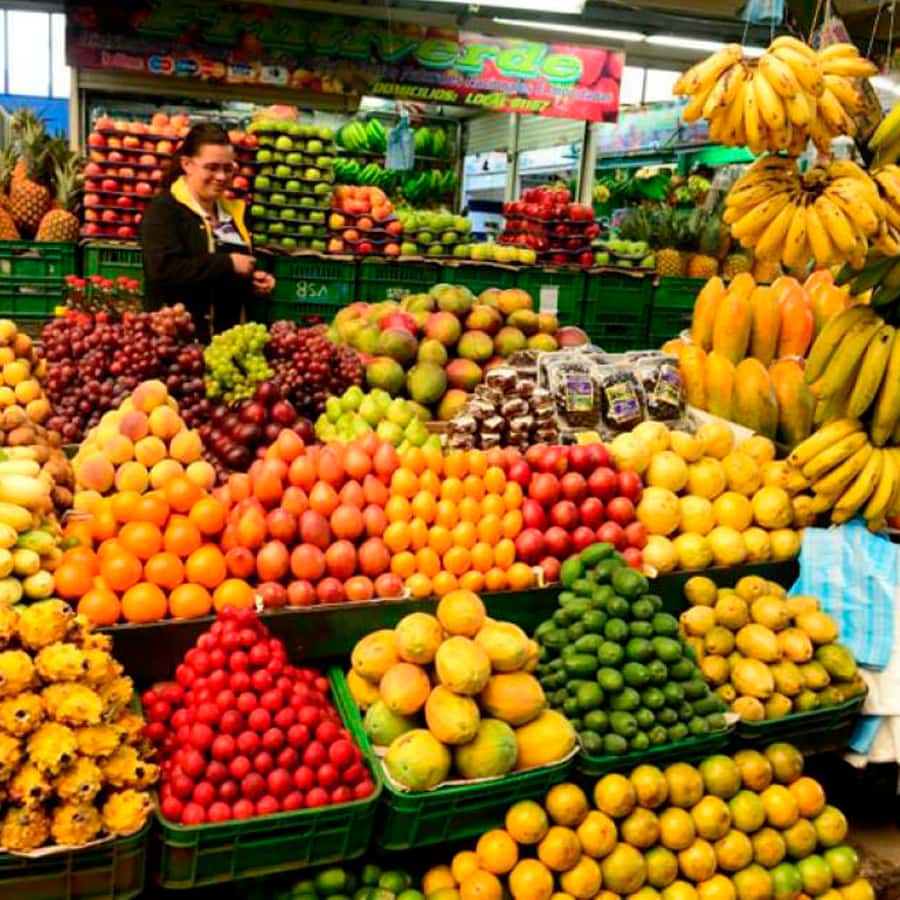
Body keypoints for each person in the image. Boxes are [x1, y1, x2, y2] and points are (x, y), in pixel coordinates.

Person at [141, 123, 275, 341]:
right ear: (187, 164)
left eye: (228, 168)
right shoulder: (165, 210)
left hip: (229, 345)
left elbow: (227, 272)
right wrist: (228, 263)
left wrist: (253, 281)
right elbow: (163, 271)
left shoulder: (234, 213)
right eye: (212, 168)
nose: (221, 177)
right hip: (181, 344)